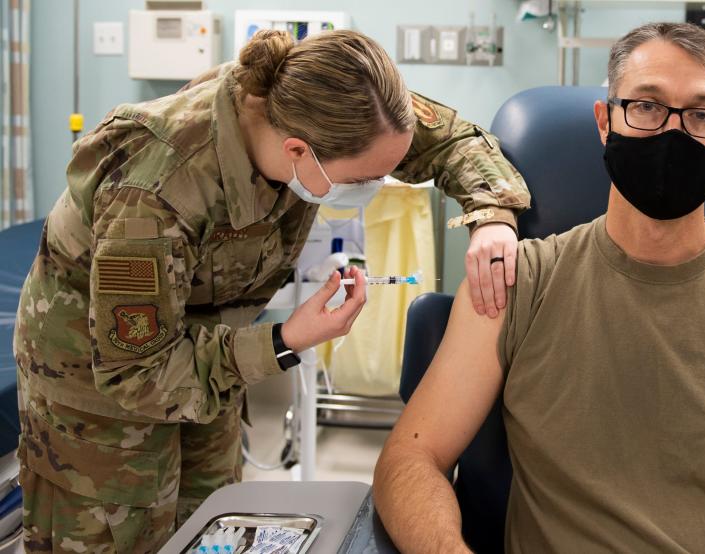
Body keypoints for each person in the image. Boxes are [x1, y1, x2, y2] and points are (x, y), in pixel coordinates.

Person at [373, 22, 705, 553]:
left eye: (702, 113)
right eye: (647, 106)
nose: (672, 133)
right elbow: (411, 462)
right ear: (606, 122)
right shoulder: (516, 284)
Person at [15, 29, 529, 552]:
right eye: (366, 178)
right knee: (124, 535)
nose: (375, 187)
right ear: (298, 151)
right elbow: (136, 373)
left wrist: (491, 218)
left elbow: (454, 139)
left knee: (207, 528)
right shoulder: (157, 192)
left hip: (203, 356)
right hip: (99, 386)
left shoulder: (338, 112)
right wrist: (284, 339)